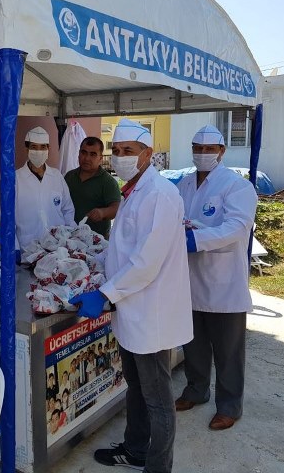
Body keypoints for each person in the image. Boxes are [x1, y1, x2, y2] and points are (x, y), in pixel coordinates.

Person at [69, 118, 193, 473]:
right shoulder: (133, 191)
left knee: (157, 398)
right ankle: (136, 449)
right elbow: (123, 248)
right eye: (117, 151)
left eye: (129, 151)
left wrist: (104, 294)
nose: (121, 157)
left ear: (148, 154)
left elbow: (145, 262)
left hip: (149, 313)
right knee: (136, 388)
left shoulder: (159, 194)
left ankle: (158, 466)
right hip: (131, 307)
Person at [174, 124, 258, 431]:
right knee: (193, 344)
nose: (202, 154)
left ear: (222, 151)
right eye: (197, 148)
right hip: (189, 279)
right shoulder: (182, 183)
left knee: (228, 351)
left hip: (223, 283)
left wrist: (196, 238)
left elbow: (237, 228)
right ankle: (196, 390)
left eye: (209, 149)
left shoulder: (238, 187)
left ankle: (229, 405)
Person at [15, 126, 76, 248]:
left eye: (43, 147)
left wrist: (70, 235)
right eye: (34, 147)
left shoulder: (57, 176)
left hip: (58, 246)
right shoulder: (15, 178)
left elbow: (67, 209)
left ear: (48, 149)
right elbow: (6, 217)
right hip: (27, 246)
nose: (39, 151)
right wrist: (14, 247)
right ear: (27, 149)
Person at [64, 136, 121, 237]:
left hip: (96, 241)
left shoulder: (108, 182)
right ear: (78, 154)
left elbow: (117, 208)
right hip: (69, 236)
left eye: (93, 154)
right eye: (84, 152)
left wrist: (103, 212)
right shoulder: (69, 176)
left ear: (100, 158)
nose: (87, 158)